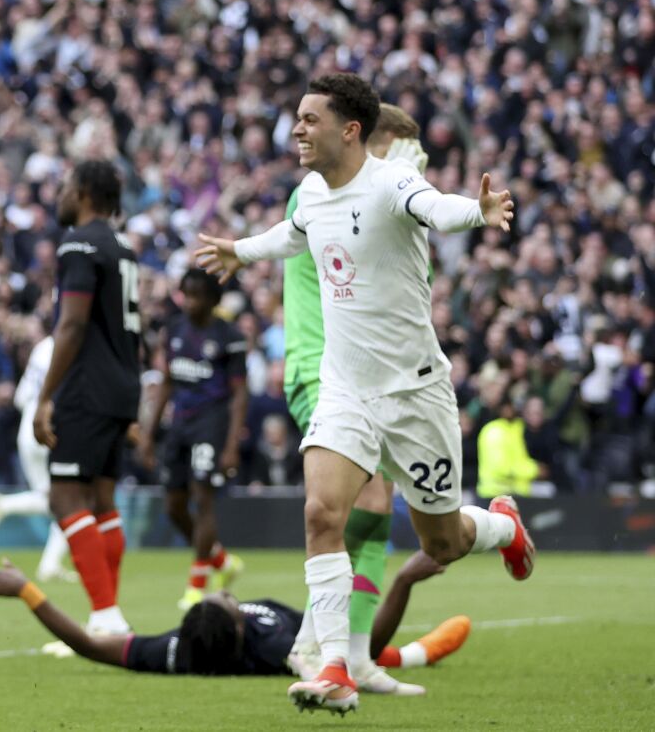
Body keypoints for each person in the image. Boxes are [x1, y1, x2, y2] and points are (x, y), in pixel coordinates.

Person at [195, 74, 535, 715]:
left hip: (414, 395)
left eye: (310, 119)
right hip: (344, 388)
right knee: (323, 515)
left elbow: (437, 207)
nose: (297, 129)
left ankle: (501, 526)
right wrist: (240, 252)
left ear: (350, 130)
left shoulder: (389, 182)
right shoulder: (311, 191)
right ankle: (334, 668)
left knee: (442, 543)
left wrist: (480, 211)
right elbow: (292, 232)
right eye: (297, 118)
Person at [283, 102, 436, 696]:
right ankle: (311, 643)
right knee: (362, 499)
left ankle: (354, 655)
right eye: (397, 149)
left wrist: (409, 199)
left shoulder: (383, 198)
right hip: (320, 369)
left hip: (372, 372)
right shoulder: (318, 192)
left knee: (375, 518)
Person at [0, 550, 470, 685]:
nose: (228, 596)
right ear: (237, 626)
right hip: (324, 631)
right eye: (225, 602)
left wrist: (28, 592)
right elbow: (357, 654)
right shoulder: (277, 650)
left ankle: (414, 652)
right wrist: (403, 582)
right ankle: (415, 654)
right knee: (381, 653)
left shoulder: (174, 651)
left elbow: (87, 644)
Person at [33, 160, 142, 636]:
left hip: (88, 387)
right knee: (102, 499)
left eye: (65, 186)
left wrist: (44, 397)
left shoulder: (79, 243)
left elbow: (73, 323)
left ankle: (103, 614)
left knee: (65, 497)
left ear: (82, 193)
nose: (59, 195)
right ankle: (109, 613)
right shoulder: (122, 247)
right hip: (121, 384)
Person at [139, 268, 248, 611]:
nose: (190, 302)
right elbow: (167, 383)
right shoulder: (172, 330)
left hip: (211, 424)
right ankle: (220, 561)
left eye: (198, 295)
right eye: (186, 295)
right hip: (179, 425)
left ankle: (196, 586)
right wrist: (148, 434)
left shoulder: (229, 336)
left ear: (214, 300)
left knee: (203, 500)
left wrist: (231, 444)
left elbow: (240, 393)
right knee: (173, 506)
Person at [0, 334, 72, 583]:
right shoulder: (73, 344)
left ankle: (50, 564)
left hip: (28, 429)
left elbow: (20, 398)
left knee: (56, 500)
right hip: (53, 430)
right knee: (72, 500)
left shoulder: (42, 346)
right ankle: (4, 505)